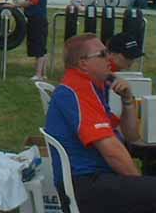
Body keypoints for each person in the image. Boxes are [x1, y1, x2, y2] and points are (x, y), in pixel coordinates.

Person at [45, 33, 156, 212]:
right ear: (83, 64)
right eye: (103, 54)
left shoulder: (95, 87)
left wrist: (127, 100)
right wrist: (140, 185)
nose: (109, 58)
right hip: (86, 185)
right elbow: (112, 152)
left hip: (95, 178)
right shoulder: (77, 90)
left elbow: (131, 135)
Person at [19, 0, 48, 81]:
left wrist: (17, 4)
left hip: (37, 19)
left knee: (39, 47)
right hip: (38, 18)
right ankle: (43, 74)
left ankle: (39, 75)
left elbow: (33, 1)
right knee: (42, 47)